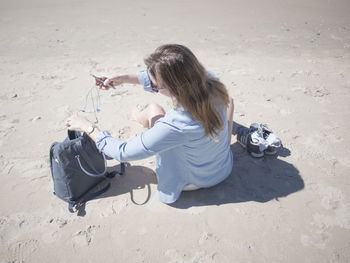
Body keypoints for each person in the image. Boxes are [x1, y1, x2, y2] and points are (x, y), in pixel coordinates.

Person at [66, 44, 234, 204]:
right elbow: (229, 102)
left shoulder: (176, 124)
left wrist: (87, 127)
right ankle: (139, 114)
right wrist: (121, 78)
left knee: (154, 109)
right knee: (157, 109)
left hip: (192, 181)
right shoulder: (209, 81)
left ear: (174, 89)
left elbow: (122, 152)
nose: (153, 86)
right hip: (223, 167)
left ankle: (138, 115)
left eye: (155, 86)